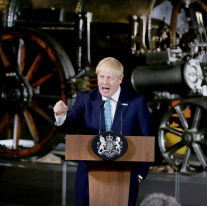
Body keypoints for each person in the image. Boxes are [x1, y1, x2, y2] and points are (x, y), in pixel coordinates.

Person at [53, 57, 153, 206]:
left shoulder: (136, 102)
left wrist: (139, 174)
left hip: (124, 181)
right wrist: (61, 116)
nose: (104, 82)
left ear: (120, 79)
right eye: (101, 77)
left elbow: (147, 139)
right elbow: (71, 122)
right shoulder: (85, 98)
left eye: (110, 78)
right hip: (88, 181)